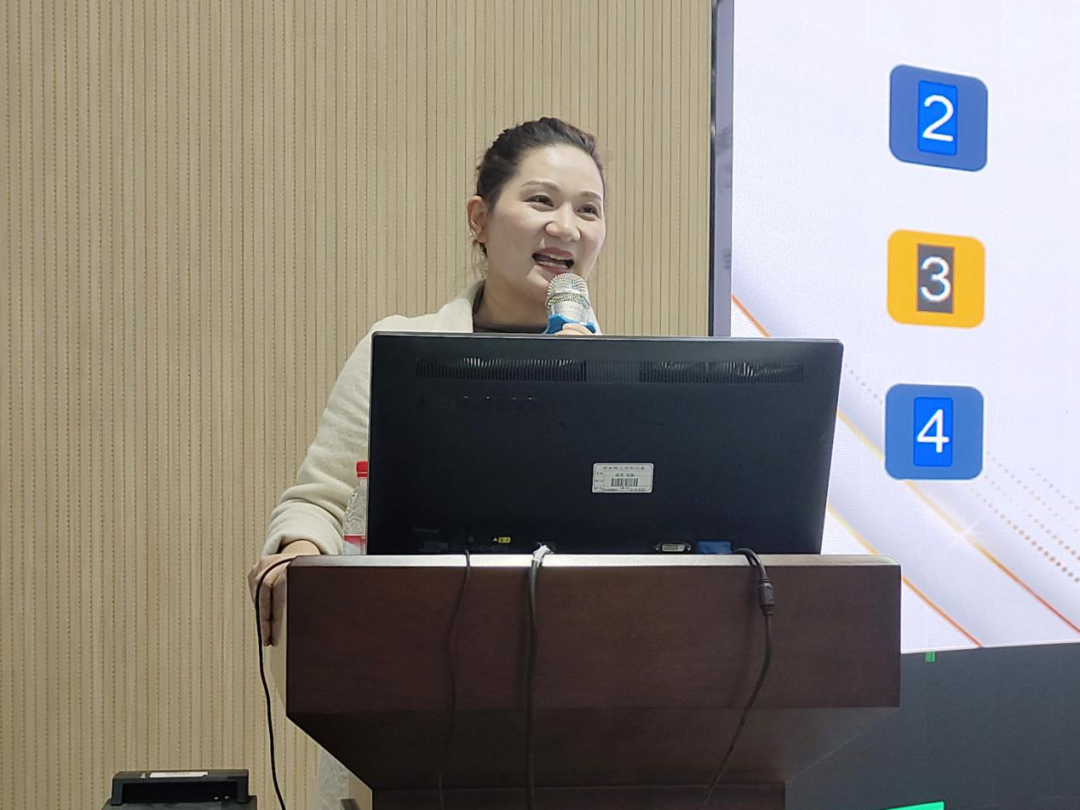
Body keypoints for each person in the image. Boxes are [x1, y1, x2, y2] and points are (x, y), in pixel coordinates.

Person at [246, 117, 609, 808]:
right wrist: (298, 552)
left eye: (588, 210)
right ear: (480, 219)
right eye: (541, 200)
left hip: (577, 717)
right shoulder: (398, 350)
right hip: (404, 699)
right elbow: (319, 501)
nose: (566, 226)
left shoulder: (620, 376)